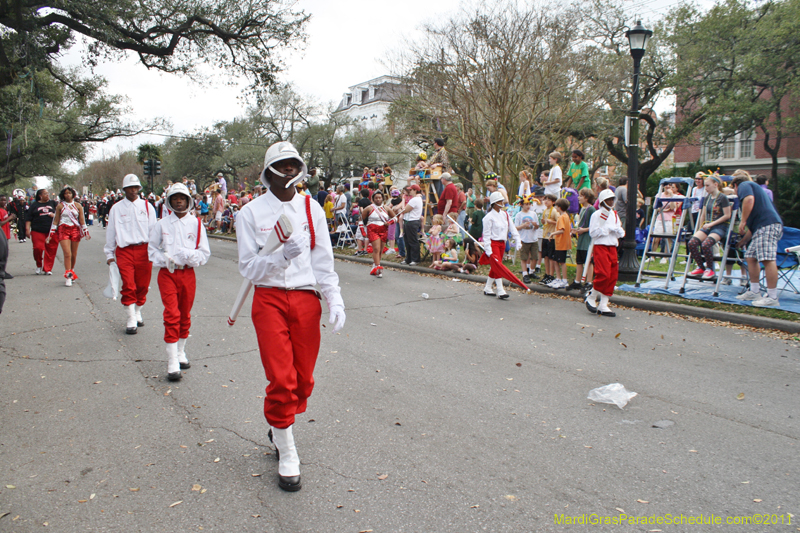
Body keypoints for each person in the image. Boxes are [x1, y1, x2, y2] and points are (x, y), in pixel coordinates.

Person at [237, 141, 345, 492]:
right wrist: (280, 257)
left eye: (292, 164)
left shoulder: (312, 208)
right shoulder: (249, 213)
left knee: (302, 380)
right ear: (268, 171)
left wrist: (334, 298)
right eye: (280, 165)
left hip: (304, 299)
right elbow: (249, 267)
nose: (287, 171)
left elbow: (323, 260)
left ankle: (280, 424)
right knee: (281, 379)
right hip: (268, 300)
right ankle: (287, 450)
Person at [148, 183, 210, 381]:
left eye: (182, 198)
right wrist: (164, 259)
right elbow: (151, 249)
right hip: (167, 274)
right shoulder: (162, 224)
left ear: (188, 201)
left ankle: (181, 351)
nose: (178, 201)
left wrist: (189, 255)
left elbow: (204, 253)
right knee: (172, 313)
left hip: (187, 274)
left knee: (184, 313)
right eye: (175, 198)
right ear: (169, 201)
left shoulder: (197, 224)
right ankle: (172, 360)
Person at [104, 174, 158, 335]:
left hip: (144, 250)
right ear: (124, 190)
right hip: (124, 250)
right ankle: (130, 318)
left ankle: (137, 310)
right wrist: (109, 254)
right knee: (128, 284)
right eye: (130, 188)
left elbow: (154, 231)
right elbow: (111, 232)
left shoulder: (148, 207)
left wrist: (155, 251)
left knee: (142, 286)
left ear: (139, 189)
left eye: (135, 187)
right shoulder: (116, 208)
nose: (133, 190)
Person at [732, 174, 784, 307]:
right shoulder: (754, 189)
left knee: (767, 259)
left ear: (736, 185)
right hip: (762, 227)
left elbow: (749, 199)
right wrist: (743, 241)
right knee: (750, 257)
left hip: (768, 226)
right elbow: (753, 228)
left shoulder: (744, 185)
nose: (736, 194)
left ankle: (772, 297)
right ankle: (755, 291)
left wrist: (743, 221)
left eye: (734, 190)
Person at [585, 190, 625, 317]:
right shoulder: (597, 215)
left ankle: (604, 304)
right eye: (608, 200)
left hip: (612, 247)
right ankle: (592, 296)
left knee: (612, 275)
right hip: (601, 246)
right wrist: (606, 230)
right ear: (603, 201)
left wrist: (618, 231)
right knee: (603, 274)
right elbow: (593, 233)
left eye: (612, 199)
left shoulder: (614, 214)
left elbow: (620, 231)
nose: (611, 202)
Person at [687, 175, 732, 280]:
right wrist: (699, 229)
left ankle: (710, 268)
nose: (705, 188)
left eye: (708, 185)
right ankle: (701, 267)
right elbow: (703, 214)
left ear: (716, 185)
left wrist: (711, 224)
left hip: (720, 227)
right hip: (708, 226)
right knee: (692, 243)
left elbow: (727, 215)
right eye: (705, 185)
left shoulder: (722, 198)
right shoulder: (706, 198)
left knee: (706, 244)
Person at [479, 191, 521, 299]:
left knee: (496, 265)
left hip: (503, 243)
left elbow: (512, 228)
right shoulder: (488, 217)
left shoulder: (505, 214)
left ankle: (488, 287)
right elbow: (487, 235)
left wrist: (517, 240)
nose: (502, 202)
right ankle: (500, 289)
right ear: (494, 202)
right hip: (493, 243)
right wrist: (488, 249)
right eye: (499, 200)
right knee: (498, 266)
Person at [47, 186, 90, 286]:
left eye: (69, 193)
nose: (68, 195)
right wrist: (51, 234)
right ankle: (68, 276)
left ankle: (72, 270)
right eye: (66, 193)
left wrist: (86, 232)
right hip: (63, 230)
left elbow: (82, 221)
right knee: (67, 253)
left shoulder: (78, 205)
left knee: (74, 254)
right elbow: (56, 221)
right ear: (63, 195)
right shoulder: (60, 206)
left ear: (73, 194)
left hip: (75, 230)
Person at [361, 190, 396, 277]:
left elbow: (395, 218)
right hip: (373, 230)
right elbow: (361, 220)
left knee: (380, 250)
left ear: (382, 199)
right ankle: (378, 268)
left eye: (379, 198)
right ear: (373, 199)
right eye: (376, 198)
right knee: (376, 248)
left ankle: (376, 264)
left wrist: (390, 222)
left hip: (383, 230)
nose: (378, 199)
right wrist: (363, 230)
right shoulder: (368, 208)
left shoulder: (387, 208)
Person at [25, 189, 59, 275]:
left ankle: (47, 268)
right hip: (37, 230)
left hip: (52, 231)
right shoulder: (34, 205)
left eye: (48, 193)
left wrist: (54, 215)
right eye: (45, 194)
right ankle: (39, 265)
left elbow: (61, 215)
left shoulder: (53, 203)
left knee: (51, 249)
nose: (47, 195)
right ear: (40, 196)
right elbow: (28, 218)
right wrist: (27, 229)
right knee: (38, 248)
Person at [570, 188, 596, 292]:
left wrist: (583, 230)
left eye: (580, 196)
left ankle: (589, 282)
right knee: (579, 261)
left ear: (586, 197)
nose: (578, 197)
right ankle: (577, 281)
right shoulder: (582, 209)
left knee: (588, 261)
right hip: (581, 239)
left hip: (587, 240)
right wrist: (576, 230)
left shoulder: (591, 210)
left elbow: (594, 226)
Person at [548, 198, 573, 289]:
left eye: (556, 206)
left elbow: (561, 230)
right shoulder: (566, 216)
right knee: (556, 261)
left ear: (559, 207)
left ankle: (564, 280)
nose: (555, 208)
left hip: (561, 243)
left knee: (561, 262)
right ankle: (558, 278)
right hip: (561, 243)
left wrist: (552, 234)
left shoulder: (561, 217)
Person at [514, 196, 539, 283]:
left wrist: (535, 225)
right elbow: (516, 227)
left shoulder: (533, 214)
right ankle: (525, 273)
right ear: (521, 205)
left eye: (529, 204)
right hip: (524, 239)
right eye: (526, 204)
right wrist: (523, 226)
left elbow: (537, 227)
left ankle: (531, 271)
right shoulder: (519, 215)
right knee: (524, 257)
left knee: (535, 257)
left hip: (533, 238)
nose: (528, 206)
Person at [400, 184, 423, 265]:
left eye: (411, 190)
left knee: (412, 241)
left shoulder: (415, 199)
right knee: (407, 240)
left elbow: (405, 210)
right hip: (408, 221)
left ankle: (415, 259)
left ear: (415, 190)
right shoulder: (416, 199)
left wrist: (403, 201)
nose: (410, 191)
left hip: (412, 221)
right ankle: (408, 258)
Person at [539, 194, 558, 286]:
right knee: (545, 256)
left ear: (553, 202)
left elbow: (559, 222)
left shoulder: (554, 211)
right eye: (545, 199)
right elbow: (545, 222)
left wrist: (552, 222)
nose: (546, 201)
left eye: (548, 200)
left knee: (551, 257)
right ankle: (546, 274)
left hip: (552, 237)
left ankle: (551, 275)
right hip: (545, 236)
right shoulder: (545, 210)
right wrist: (544, 222)